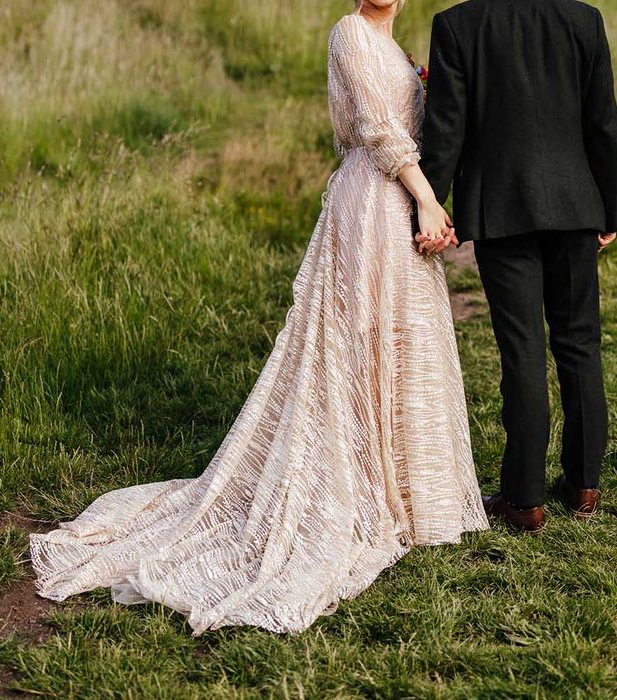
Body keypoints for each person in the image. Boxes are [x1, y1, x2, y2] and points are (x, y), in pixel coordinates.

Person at [29, 0, 489, 636]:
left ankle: (405, 489)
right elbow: (381, 133)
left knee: (401, 342)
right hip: (375, 200)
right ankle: (348, 480)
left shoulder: (398, 50)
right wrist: (428, 201)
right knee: (353, 343)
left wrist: (432, 190)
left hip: (402, 204)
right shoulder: (349, 32)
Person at [419, 0, 617, 533]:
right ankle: (584, 486)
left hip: (501, 209)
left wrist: (428, 206)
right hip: (577, 205)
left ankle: (524, 500)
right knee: (580, 342)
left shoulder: (458, 24)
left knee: (523, 349)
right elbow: (602, 120)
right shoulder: (583, 19)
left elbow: (445, 127)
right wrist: (609, 208)